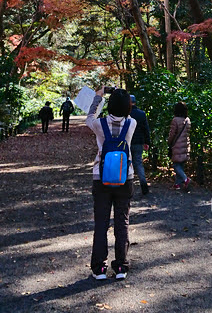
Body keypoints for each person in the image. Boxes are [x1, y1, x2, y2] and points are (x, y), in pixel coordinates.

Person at [86, 87, 137, 280]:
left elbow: (89, 116)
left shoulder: (99, 125)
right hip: (125, 177)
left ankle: (99, 268)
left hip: (101, 178)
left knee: (101, 223)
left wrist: (98, 97)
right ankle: (121, 267)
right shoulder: (132, 123)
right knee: (122, 222)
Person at [129, 95, 151, 195]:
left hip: (126, 142)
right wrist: (147, 142)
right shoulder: (141, 114)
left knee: (126, 163)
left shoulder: (125, 114)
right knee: (138, 164)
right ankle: (144, 184)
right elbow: (146, 129)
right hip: (138, 142)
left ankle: (127, 187)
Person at [167, 101, 191, 191]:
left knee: (176, 165)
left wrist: (169, 142)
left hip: (177, 145)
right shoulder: (188, 120)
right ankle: (177, 184)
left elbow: (172, 134)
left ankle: (186, 179)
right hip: (185, 144)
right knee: (180, 164)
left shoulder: (175, 120)